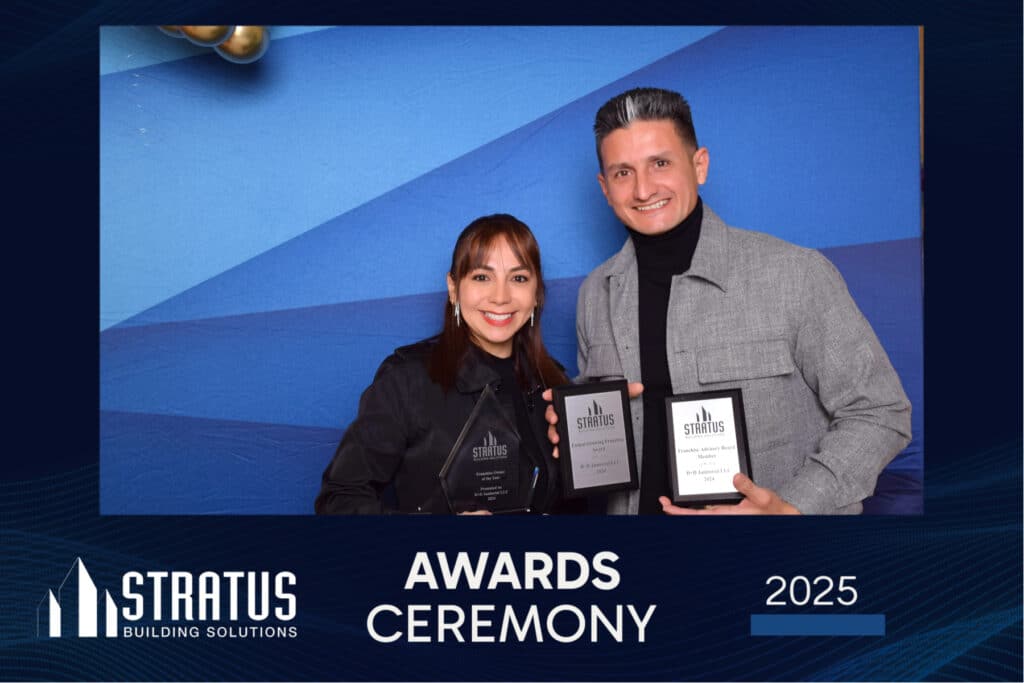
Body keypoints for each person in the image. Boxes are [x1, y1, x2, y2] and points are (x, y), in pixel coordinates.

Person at [545, 87, 911, 515]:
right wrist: (573, 435)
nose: (643, 189)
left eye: (660, 163)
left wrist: (793, 507)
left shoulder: (796, 274)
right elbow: (606, 438)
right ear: (605, 188)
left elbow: (881, 412)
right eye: (623, 173)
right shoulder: (596, 293)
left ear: (699, 165)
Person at [315, 213, 580, 514]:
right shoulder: (407, 380)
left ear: (536, 294)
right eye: (482, 277)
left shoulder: (554, 383)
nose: (501, 297)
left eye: (518, 278)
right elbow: (338, 500)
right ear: (454, 288)